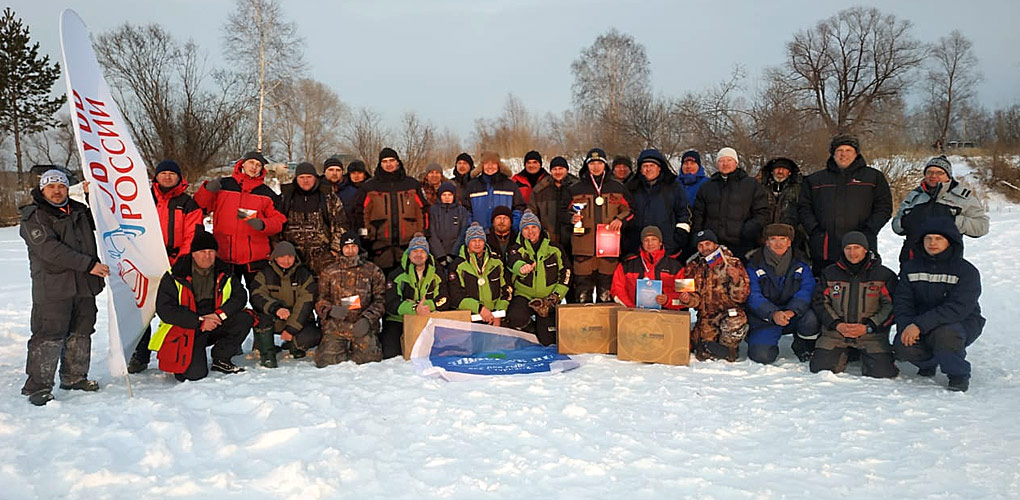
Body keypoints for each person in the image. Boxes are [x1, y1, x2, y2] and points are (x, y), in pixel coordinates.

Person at [19, 169, 108, 406]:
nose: (57, 191)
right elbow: (50, 251)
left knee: (82, 331)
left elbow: (102, 220)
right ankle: (37, 386)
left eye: (61, 186)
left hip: (84, 286)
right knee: (49, 335)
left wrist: (93, 196)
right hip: (53, 288)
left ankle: (74, 377)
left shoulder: (79, 210)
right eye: (51, 187)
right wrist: (89, 264)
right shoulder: (34, 216)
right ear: (42, 190)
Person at [128, 159, 204, 374]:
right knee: (142, 310)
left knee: (174, 309)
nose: (168, 177)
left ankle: (173, 350)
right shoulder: (142, 199)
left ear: (180, 177)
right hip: (144, 262)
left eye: (172, 173)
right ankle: (139, 354)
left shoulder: (188, 203)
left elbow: (193, 233)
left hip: (175, 263)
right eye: (164, 173)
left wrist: (183, 259)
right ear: (156, 177)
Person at [893, 217, 984, 392]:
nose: (932, 243)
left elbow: (959, 307)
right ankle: (929, 362)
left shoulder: (966, 271)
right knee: (902, 346)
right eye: (928, 238)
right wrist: (906, 326)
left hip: (959, 323)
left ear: (949, 242)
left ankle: (958, 374)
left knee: (945, 335)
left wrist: (919, 325)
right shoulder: (910, 268)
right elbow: (903, 302)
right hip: (918, 323)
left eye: (938, 239)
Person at [151, 230, 252, 381]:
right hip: (188, 328)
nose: (207, 256)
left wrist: (219, 314)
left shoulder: (224, 271)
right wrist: (199, 322)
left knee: (245, 318)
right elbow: (165, 310)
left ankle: (221, 358)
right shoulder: (175, 275)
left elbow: (240, 296)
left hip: (215, 320)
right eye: (202, 251)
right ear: (193, 253)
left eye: (211, 251)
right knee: (194, 375)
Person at [798, 135, 892, 272]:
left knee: (861, 286)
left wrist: (869, 230)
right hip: (825, 246)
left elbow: (884, 207)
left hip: (861, 245)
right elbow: (804, 207)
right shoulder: (815, 180)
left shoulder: (873, 177)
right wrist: (814, 230)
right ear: (833, 154)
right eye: (839, 150)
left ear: (856, 153)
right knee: (825, 286)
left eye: (848, 150)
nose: (843, 154)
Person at [810, 231, 898, 378]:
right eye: (848, 248)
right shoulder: (830, 273)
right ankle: (844, 352)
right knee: (820, 369)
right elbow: (820, 302)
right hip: (836, 333)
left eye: (857, 248)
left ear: (865, 249)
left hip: (871, 335)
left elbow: (891, 306)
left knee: (883, 374)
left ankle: (865, 354)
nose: (852, 253)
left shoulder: (884, 275)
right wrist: (837, 324)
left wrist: (869, 326)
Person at [194, 150, 287, 288]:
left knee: (260, 299)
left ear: (262, 169)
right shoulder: (224, 185)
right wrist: (207, 190)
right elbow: (200, 207)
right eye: (251, 162)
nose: (254, 167)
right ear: (242, 164)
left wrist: (264, 224)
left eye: (258, 165)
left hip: (255, 257)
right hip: (224, 253)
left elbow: (279, 221)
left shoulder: (267, 194)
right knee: (227, 298)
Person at [564, 148, 634, 303]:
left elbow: (630, 210)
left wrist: (620, 220)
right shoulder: (575, 188)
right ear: (586, 165)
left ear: (605, 165)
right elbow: (563, 212)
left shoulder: (617, 187)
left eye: (599, 163)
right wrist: (571, 218)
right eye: (592, 163)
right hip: (583, 248)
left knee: (606, 293)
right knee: (582, 294)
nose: (596, 167)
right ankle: (583, 325)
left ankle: (606, 325)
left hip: (609, 249)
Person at [744, 224, 819, 364]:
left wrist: (792, 311)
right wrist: (773, 314)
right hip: (765, 318)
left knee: (811, 319)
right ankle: (758, 340)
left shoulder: (801, 264)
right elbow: (753, 295)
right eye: (773, 239)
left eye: (783, 239)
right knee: (762, 357)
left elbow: (807, 290)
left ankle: (804, 345)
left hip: (792, 315)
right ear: (766, 242)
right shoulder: (754, 264)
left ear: (789, 242)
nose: (778, 243)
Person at [892, 155, 989, 263]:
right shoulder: (915, 195)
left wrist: (952, 221)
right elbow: (897, 225)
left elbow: (982, 226)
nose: (933, 176)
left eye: (939, 173)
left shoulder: (962, 197)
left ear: (948, 176)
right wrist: (905, 222)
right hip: (912, 260)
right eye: (929, 172)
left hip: (948, 263)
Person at [675, 229, 750, 362]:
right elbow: (693, 298)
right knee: (701, 352)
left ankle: (730, 350)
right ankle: (721, 350)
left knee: (736, 320)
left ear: (715, 244)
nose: (705, 248)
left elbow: (741, 298)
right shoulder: (691, 266)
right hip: (706, 316)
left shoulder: (733, 262)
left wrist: (737, 280)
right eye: (700, 245)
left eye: (708, 243)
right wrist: (687, 300)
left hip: (728, 312)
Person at [353, 147, 429, 275]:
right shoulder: (369, 186)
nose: (389, 164)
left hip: (408, 246)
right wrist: (365, 236)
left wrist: (422, 233)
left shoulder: (412, 184)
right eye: (385, 161)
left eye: (392, 160)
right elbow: (360, 214)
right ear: (380, 164)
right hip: (379, 247)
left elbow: (423, 211)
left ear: (398, 162)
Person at [314, 233, 387, 366]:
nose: (350, 250)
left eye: (354, 246)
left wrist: (367, 319)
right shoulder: (329, 271)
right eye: (347, 247)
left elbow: (380, 301)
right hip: (336, 326)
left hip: (362, 325)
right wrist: (330, 310)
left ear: (359, 248)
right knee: (326, 362)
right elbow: (321, 300)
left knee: (370, 361)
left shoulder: (373, 271)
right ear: (341, 249)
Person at [250, 241, 321, 368]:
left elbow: (305, 304)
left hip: (296, 319)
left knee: (312, 335)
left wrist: (291, 329)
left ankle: (293, 345)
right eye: (282, 257)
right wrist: (275, 308)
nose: (286, 260)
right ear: (275, 258)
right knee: (261, 317)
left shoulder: (304, 275)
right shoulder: (264, 274)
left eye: (290, 257)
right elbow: (257, 296)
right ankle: (267, 353)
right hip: (274, 317)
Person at [504, 210, 571, 345]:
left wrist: (555, 296)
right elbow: (513, 262)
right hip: (524, 295)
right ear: (521, 231)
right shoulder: (515, 248)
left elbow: (566, 273)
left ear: (539, 228)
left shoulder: (555, 249)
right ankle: (530, 325)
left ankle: (541, 325)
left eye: (534, 227)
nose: (530, 231)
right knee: (516, 318)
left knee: (548, 340)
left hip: (548, 298)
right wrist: (522, 268)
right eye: (526, 228)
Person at [691, 147, 770, 260]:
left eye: (729, 160)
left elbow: (762, 212)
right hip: (713, 246)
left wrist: (747, 230)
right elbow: (698, 214)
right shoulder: (707, 186)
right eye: (721, 161)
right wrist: (700, 236)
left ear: (736, 162)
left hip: (742, 244)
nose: (725, 164)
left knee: (739, 275)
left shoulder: (751, 185)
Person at [383, 234, 449, 358]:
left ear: (428, 255)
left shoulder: (437, 274)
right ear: (408, 254)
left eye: (422, 251)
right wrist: (414, 308)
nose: (418, 255)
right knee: (390, 355)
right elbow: (391, 303)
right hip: (399, 320)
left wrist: (427, 306)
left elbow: (444, 299)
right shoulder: (396, 275)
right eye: (415, 251)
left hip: (428, 318)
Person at [279, 161, 348, 274]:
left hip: (323, 255)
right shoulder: (286, 197)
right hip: (292, 255)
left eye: (309, 177)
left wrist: (335, 250)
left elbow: (340, 224)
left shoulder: (328, 196)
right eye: (302, 177)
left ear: (315, 178)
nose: (305, 181)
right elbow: (277, 224)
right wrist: (280, 249)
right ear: (296, 178)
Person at [624, 148, 691, 257]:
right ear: (640, 169)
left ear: (659, 168)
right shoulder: (631, 188)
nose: (648, 169)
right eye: (645, 166)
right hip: (636, 248)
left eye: (652, 166)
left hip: (667, 247)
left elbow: (684, 213)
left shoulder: (673, 187)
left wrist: (679, 238)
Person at [447, 223, 511, 326]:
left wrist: (498, 313)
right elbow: (455, 296)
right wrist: (479, 309)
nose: (477, 244)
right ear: (468, 243)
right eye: (473, 240)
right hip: (471, 318)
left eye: (480, 240)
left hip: (495, 317)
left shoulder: (497, 262)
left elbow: (506, 289)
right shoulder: (457, 265)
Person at [610, 226, 684, 310]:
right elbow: (617, 290)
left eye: (654, 239)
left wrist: (668, 300)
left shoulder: (676, 267)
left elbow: (686, 298)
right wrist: (631, 308)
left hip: (666, 317)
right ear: (642, 243)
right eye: (646, 240)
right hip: (633, 315)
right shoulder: (626, 265)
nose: (650, 243)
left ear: (660, 242)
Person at [464, 151, 527, 231]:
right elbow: (466, 209)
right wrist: (472, 226)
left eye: (493, 163)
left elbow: (519, 207)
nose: (490, 167)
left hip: (504, 234)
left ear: (499, 166)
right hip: (479, 236)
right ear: (482, 166)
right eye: (486, 163)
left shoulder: (510, 185)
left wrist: (513, 225)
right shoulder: (472, 186)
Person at [760, 157, 808, 256]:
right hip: (764, 236)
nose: (780, 171)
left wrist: (797, 233)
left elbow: (804, 211)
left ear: (789, 172)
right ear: (772, 171)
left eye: (784, 169)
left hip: (792, 238)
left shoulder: (800, 189)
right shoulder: (761, 188)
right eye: (777, 168)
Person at [528, 155, 577, 250]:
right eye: (555, 169)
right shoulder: (540, 189)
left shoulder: (577, 187)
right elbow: (532, 212)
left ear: (567, 170)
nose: (558, 172)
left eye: (561, 168)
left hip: (572, 238)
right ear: (551, 171)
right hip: (548, 238)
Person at [427, 181, 471, 270]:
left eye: (449, 195)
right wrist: (440, 255)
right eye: (444, 195)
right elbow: (432, 233)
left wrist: (453, 253)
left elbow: (463, 233)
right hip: (438, 253)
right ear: (440, 196)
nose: (447, 197)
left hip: (455, 252)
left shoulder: (461, 211)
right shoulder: (433, 210)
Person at [333, 159, 370, 224]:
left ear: (365, 175)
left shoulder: (371, 189)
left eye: (359, 173)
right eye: (353, 173)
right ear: (349, 174)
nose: (356, 176)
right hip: (347, 225)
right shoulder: (341, 189)